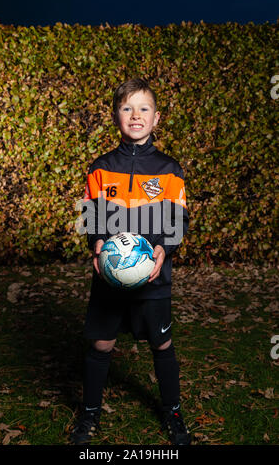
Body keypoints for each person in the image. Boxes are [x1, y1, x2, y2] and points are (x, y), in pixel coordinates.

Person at [70, 77, 190, 446]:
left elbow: (179, 219)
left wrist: (162, 250)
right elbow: (91, 216)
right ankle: (89, 412)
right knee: (102, 345)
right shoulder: (101, 167)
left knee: (161, 345)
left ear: (156, 119)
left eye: (143, 108)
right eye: (126, 108)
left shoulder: (169, 170)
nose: (135, 115)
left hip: (153, 276)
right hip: (111, 277)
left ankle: (172, 411)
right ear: (115, 116)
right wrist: (97, 244)